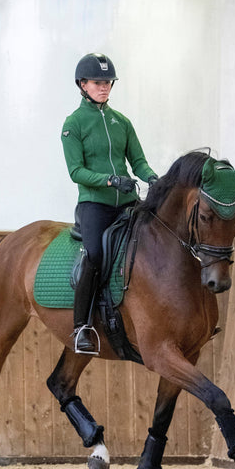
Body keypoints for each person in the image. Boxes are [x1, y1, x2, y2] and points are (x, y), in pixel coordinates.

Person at [61, 53, 158, 354]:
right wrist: (110, 180)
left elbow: (138, 162)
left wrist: (154, 179)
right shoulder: (73, 124)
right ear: (83, 84)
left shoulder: (122, 123)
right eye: (98, 82)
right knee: (94, 254)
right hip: (95, 205)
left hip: (127, 202)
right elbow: (76, 171)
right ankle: (82, 327)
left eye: (108, 83)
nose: (104, 87)